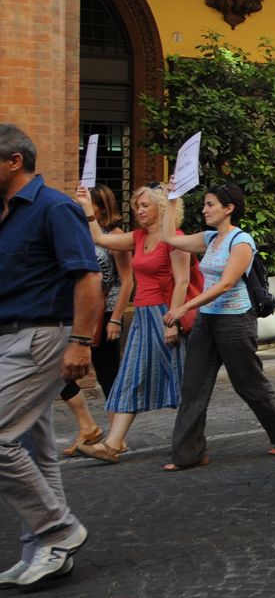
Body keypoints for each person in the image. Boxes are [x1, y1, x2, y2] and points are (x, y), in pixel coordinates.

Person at [0, 125, 100, 589]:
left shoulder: (54, 207)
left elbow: (88, 277)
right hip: (9, 336)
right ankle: (44, 551)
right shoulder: (6, 212)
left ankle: (58, 529)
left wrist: (80, 341)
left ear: (14, 161)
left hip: (40, 336)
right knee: (32, 447)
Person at [162, 182, 275, 469]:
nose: (204, 209)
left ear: (229, 208)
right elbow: (169, 238)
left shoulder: (241, 242)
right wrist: (172, 199)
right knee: (193, 386)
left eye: (210, 204)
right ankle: (189, 454)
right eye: (204, 204)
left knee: (248, 383)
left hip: (235, 321)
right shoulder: (210, 238)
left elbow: (226, 284)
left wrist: (185, 307)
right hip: (207, 320)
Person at [75, 185, 190, 464]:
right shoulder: (138, 237)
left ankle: (193, 442)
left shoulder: (174, 238)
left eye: (145, 205)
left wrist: (172, 321)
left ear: (160, 207)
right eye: (137, 206)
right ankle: (113, 444)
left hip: (165, 315)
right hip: (142, 316)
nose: (139, 210)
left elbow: (182, 281)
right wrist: (87, 207)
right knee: (130, 376)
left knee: (183, 380)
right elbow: (99, 238)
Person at [58, 184, 129, 454]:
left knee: (108, 373)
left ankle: (116, 437)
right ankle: (87, 427)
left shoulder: (116, 235)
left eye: (89, 204)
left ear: (102, 206)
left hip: (106, 311)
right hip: (81, 311)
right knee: (60, 370)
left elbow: (127, 281)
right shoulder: (81, 232)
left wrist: (116, 318)